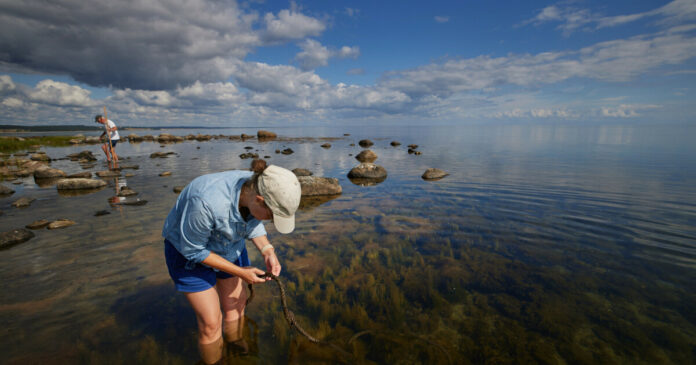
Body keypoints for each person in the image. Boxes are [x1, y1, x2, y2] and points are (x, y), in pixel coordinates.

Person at [162, 159, 301, 364]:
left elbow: (253, 221)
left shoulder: (253, 188)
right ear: (260, 199)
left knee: (236, 304)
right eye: (272, 216)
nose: (271, 221)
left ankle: (234, 342)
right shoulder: (205, 202)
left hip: (227, 245)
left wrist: (267, 250)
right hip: (187, 252)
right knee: (211, 323)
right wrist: (241, 272)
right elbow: (193, 250)